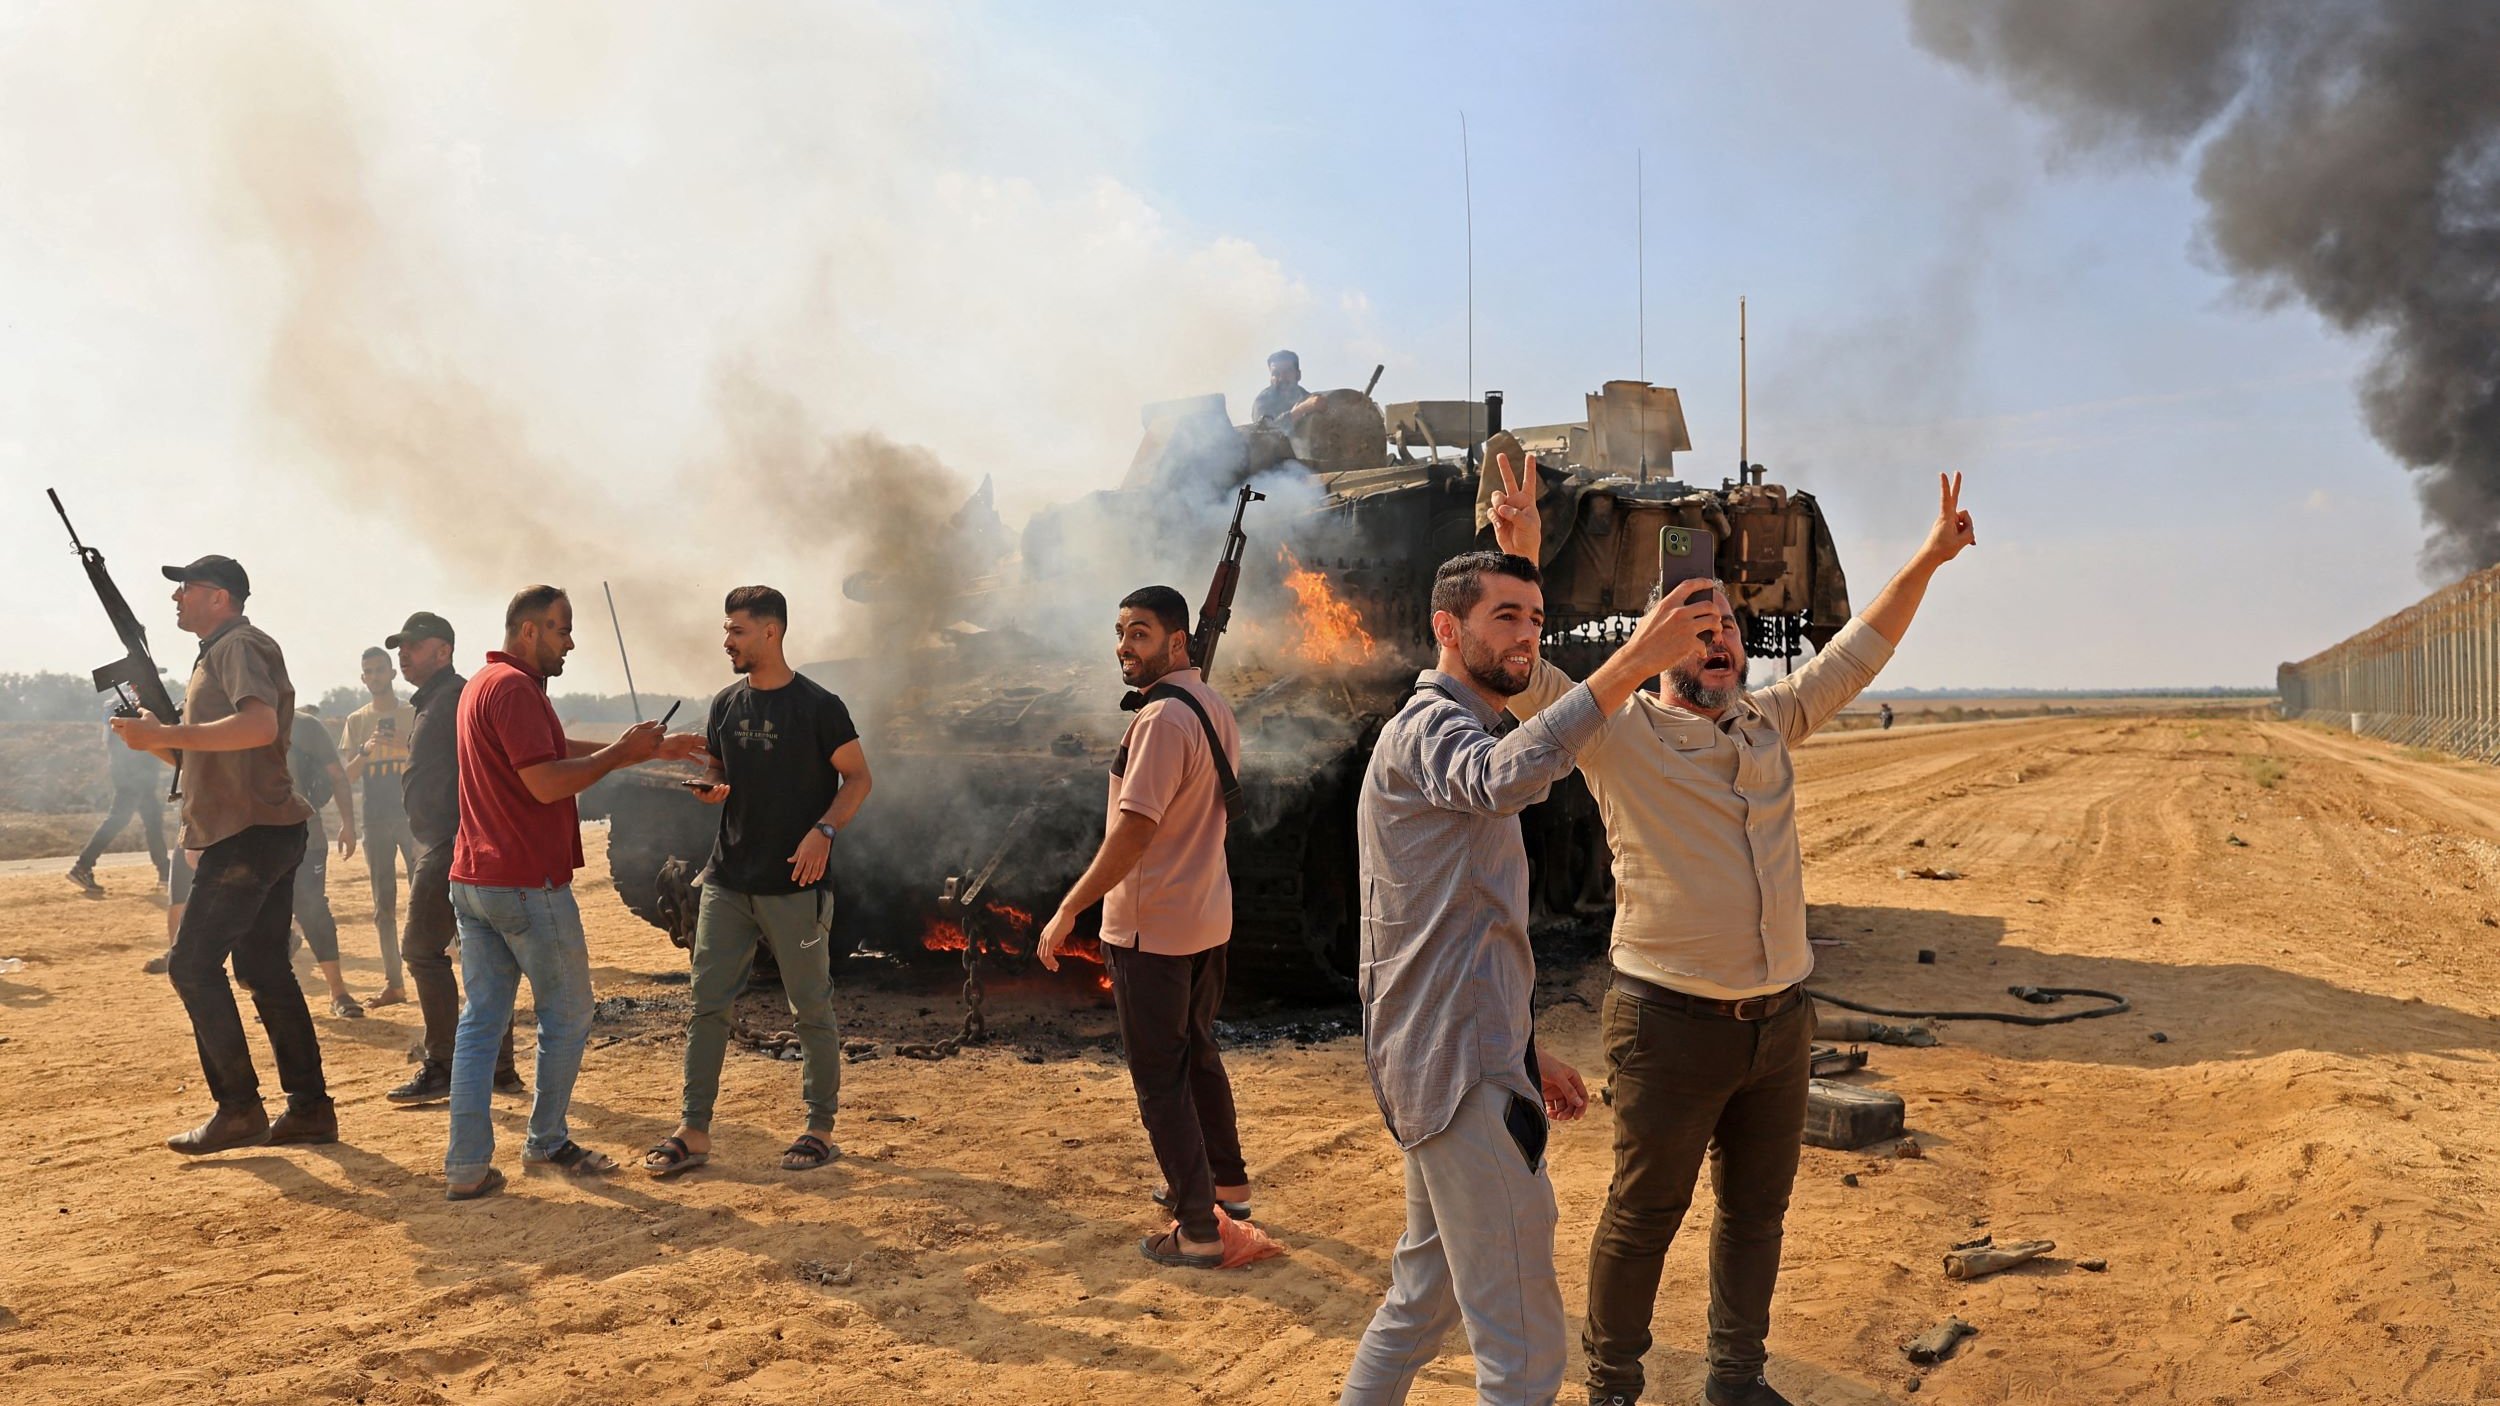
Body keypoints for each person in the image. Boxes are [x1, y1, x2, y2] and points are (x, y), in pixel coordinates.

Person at [1494, 463, 1978, 1406]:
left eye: (1727, 629)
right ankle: (1612, 1389)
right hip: (1671, 1025)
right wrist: (1520, 561)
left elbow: (1861, 650)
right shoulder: (1617, 734)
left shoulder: (1767, 720)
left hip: (1780, 1023)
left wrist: (1928, 558)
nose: (1718, 641)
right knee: (1643, 1216)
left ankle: (1736, 1382)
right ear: (1656, 643)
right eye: (1694, 627)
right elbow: (1531, 683)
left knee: (1756, 1216)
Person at [1340, 540, 1720, 1406]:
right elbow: (1500, 780)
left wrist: (1522, 1045)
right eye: (1504, 617)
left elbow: (1462, 927)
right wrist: (1632, 664)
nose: (1527, 637)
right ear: (1447, 627)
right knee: (1522, 1352)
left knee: (1422, 1300)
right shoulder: (1433, 731)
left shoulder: (1459, 725)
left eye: (1537, 620)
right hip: (1456, 1069)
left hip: (1460, 1054)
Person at [443, 585, 702, 1201]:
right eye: (562, 629)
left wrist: (648, 750)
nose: (570, 642)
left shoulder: (485, 683)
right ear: (528, 630)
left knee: (481, 1022)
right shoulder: (515, 689)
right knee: (568, 1013)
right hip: (526, 881)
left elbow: (550, 753)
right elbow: (545, 782)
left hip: (474, 880)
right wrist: (622, 752)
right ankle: (549, 1141)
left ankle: (467, 1167)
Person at [1037, 585, 1249, 1269]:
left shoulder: (1161, 719)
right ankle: (1228, 1186)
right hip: (1204, 916)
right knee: (1198, 1053)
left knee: (1160, 1079)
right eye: (1122, 632)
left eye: (1141, 633)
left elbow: (1135, 830)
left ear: (1178, 642)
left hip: (1152, 927)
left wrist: (1072, 906)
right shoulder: (1212, 705)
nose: (1125, 647)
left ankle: (1197, 1230)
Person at [643, 586, 872, 1179]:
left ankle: (820, 1128)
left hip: (795, 886)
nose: (727, 643)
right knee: (706, 1005)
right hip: (727, 880)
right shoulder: (724, 704)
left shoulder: (820, 706)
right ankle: (694, 1131)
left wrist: (823, 831)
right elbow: (720, 771)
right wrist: (711, 788)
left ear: (771, 632)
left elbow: (858, 780)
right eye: (726, 631)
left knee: (811, 1008)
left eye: (736, 631)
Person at [113, 554, 335, 1154]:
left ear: (218, 596)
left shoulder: (237, 645)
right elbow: (204, 758)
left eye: (184, 588)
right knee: (263, 969)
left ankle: (238, 1110)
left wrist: (164, 733)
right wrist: (156, 739)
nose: (176, 598)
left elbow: (258, 727)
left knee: (191, 966)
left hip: (249, 833)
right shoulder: (215, 655)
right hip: (260, 829)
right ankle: (310, 1109)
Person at [382, 611, 522, 1104]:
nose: (404, 655)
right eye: (400, 647)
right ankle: (498, 1067)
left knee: (422, 950)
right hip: (448, 840)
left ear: (443, 651)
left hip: (453, 841)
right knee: (483, 957)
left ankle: (443, 1063)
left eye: (414, 647)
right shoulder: (433, 701)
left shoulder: (455, 697)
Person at [344, 645, 418, 1006]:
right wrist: (367, 749)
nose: (374, 677)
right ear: (363, 678)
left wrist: (404, 750)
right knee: (382, 907)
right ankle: (395, 983)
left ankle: (437, 976)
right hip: (375, 821)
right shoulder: (357, 721)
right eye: (368, 671)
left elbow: (429, 764)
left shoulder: (413, 713)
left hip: (413, 816)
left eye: (380, 670)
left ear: (392, 673)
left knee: (427, 899)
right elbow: (347, 776)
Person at [285, 704, 365, 1018]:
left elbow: (337, 776)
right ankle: (277, 995)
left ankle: (338, 992)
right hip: (256, 839)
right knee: (269, 915)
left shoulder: (306, 726)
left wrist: (348, 823)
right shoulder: (237, 723)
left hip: (306, 834)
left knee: (314, 910)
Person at [70, 699, 171, 897]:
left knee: (152, 821)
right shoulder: (131, 703)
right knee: (119, 819)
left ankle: (165, 873)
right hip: (134, 774)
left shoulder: (117, 703)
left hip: (133, 773)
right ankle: (82, 867)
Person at [1251, 349, 1322, 428]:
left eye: (1287, 371)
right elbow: (1265, 431)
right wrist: (1300, 410)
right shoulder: (1263, 401)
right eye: (1276, 373)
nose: (1281, 378)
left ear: (1298, 375)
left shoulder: (1308, 398)